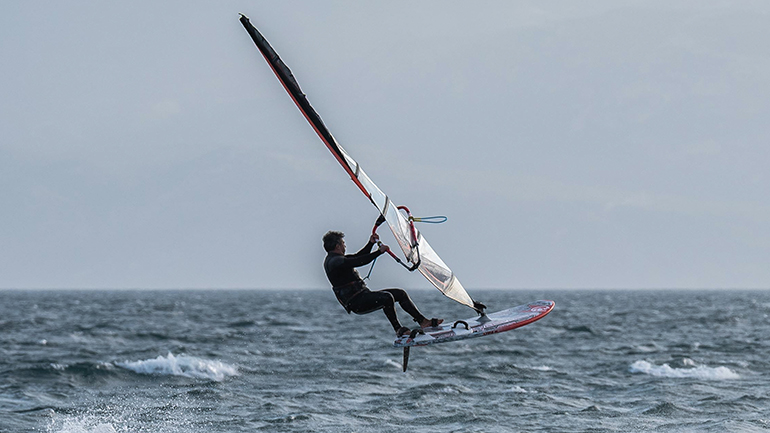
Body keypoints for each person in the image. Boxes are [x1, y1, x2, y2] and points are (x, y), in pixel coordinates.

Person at [322, 227, 443, 337]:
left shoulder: (337, 259)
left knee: (400, 294)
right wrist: (379, 252)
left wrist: (370, 243)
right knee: (387, 298)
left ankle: (423, 321)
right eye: (343, 243)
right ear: (337, 246)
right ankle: (398, 329)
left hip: (363, 296)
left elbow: (357, 256)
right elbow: (359, 261)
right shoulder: (334, 262)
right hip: (356, 303)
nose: (345, 246)